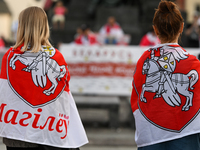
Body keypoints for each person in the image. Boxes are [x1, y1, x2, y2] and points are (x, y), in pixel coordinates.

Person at [0, 6, 88, 150]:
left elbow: (6, 94)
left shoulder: (10, 57)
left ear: (21, 27)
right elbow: (63, 99)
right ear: (45, 27)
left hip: (18, 132)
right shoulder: (57, 57)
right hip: (49, 132)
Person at [131, 0, 200, 149]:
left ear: (156, 30)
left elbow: (136, 96)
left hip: (151, 138)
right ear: (182, 27)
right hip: (186, 139)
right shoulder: (194, 63)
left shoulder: (144, 59)